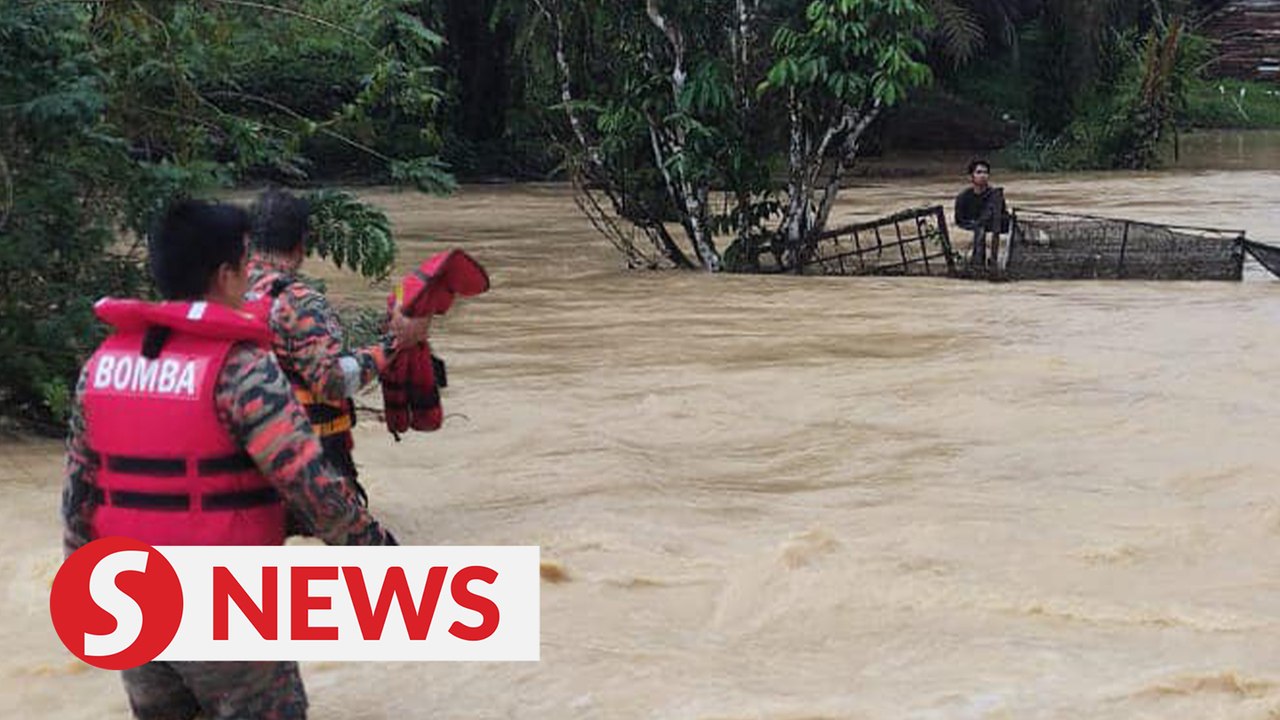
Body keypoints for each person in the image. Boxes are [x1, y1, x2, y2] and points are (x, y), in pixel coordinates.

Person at [60, 199, 398, 720]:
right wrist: (378, 555)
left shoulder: (102, 367)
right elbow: (310, 484)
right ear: (224, 275)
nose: (249, 275)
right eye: (243, 264)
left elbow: (78, 498)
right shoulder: (241, 369)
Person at [243, 188, 431, 510]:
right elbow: (331, 381)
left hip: (242, 458)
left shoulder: (222, 289)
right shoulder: (301, 302)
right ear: (302, 243)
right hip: (305, 462)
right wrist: (395, 343)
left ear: (247, 239)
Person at [954, 159, 1009, 269]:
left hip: (992, 225)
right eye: (979, 172)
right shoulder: (963, 197)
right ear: (971, 177)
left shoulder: (994, 195)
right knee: (980, 230)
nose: (983, 175)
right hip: (972, 225)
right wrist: (974, 224)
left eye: (985, 172)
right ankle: (977, 264)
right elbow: (959, 219)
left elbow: (1002, 214)